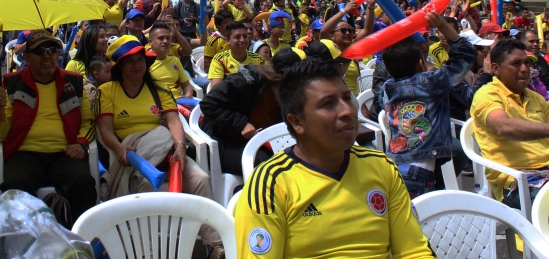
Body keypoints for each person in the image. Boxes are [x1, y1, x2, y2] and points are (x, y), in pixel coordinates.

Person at [235, 57, 435, 259]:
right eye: (328, 104)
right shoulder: (271, 185)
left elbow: (414, 251)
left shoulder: (381, 166)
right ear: (297, 122)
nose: (348, 111)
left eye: (347, 98)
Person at [94, 35, 224, 258]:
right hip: (130, 155)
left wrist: (181, 146)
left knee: (200, 179)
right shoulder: (107, 92)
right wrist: (119, 148)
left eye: (140, 60)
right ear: (120, 67)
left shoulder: (159, 91)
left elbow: (173, 121)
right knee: (145, 186)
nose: (137, 65)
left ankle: (214, 244)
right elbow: (105, 129)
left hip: (165, 150)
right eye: (130, 61)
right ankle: (150, 251)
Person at [0, 29, 96, 228]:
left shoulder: (73, 81)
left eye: (52, 50)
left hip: (64, 152)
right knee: (15, 186)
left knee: (84, 184)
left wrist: (81, 144)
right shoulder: (12, 84)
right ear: (27, 57)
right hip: (24, 154)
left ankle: (80, 238)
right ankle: (23, 241)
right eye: (40, 51)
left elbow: (88, 121)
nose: (47, 55)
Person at [380, 14, 475, 198]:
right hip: (420, 171)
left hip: (397, 165)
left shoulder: (387, 87)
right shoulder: (431, 83)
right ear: (421, 63)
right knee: (419, 219)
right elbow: (465, 55)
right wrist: (441, 25)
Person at [470, 38, 549, 207]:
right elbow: (502, 126)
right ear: (496, 69)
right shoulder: (487, 94)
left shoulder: (536, 98)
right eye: (516, 63)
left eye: (527, 63)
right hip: (517, 179)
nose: (524, 69)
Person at [200, 49, 300, 175]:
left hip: (263, 142)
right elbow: (208, 104)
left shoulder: (290, 93)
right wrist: (241, 123)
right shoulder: (245, 81)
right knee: (267, 164)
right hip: (224, 142)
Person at [207, 21, 265, 87]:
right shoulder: (220, 60)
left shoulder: (259, 60)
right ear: (227, 41)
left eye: (245, 36)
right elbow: (216, 91)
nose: (242, 40)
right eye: (237, 37)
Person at [148, 22, 193, 99]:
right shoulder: (143, 62)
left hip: (179, 102)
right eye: (161, 38)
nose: (165, 41)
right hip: (156, 104)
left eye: (168, 38)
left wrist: (187, 96)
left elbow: (187, 86)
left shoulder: (174, 60)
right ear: (150, 42)